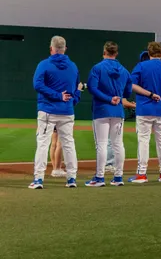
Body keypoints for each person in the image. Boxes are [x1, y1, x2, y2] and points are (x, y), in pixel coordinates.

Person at [30, 36, 82, 189]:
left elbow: (37, 84)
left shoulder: (44, 64)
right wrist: (72, 101)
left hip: (48, 110)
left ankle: (38, 179)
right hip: (67, 111)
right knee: (69, 144)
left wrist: (57, 95)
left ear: (51, 48)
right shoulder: (73, 66)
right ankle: (71, 178)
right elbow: (77, 88)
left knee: (43, 144)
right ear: (64, 49)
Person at [84, 41, 134, 187]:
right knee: (118, 144)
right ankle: (118, 177)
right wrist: (117, 97)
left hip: (101, 109)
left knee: (102, 144)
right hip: (118, 110)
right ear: (116, 53)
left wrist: (107, 98)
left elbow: (92, 88)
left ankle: (99, 177)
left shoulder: (97, 68)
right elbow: (128, 91)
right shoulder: (124, 70)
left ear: (104, 51)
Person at [128, 42, 161, 183]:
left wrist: (148, 93)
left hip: (145, 108)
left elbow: (131, 85)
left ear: (149, 53)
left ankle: (142, 173)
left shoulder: (141, 66)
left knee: (143, 141)